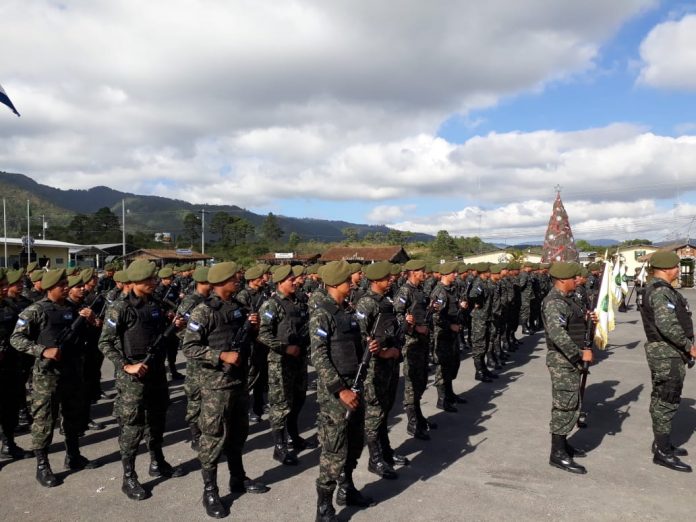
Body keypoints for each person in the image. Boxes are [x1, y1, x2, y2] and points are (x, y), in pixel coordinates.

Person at [182, 261, 269, 519]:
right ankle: (210, 491)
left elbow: (250, 339)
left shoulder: (240, 308)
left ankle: (238, 478)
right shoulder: (203, 312)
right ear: (220, 282)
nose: (238, 281)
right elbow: (189, 347)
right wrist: (221, 355)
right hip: (215, 385)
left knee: (238, 434)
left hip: (238, 382)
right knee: (213, 439)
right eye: (234, 278)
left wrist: (253, 327)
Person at [99, 260, 185, 501]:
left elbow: (161, 333)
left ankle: (157, 462)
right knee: (132, 427)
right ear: (135, 282)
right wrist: (126, 365)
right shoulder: (120, 308)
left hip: (156, 371)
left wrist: (175, 325)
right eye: (149, 280)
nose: (154, 283)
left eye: (154, 279)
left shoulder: (155, 303)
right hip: (133, 377)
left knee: (157, 419)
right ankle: (129, 476)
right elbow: (104, 342)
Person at [11, 269, 98, 487]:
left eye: (66, 284)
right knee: (44, 421)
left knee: (72, 416)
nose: (67, 287)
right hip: (47, 376)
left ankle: (73, 455)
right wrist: (42, 350)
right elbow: (16, 338)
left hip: (73, 372)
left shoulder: (73, 308)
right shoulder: (36, 310)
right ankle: (43, 465)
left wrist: (92, 320)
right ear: (50, 288)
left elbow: (88, 335)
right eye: (62, 285)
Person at [310, 261, 375, 521]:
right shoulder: (321, 314)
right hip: (336, 393)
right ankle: (324, 506)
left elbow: (354, 345)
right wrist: (339, 390)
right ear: (336, 283)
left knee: (355, 442)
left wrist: (368, 345)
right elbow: (319, 356)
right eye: (349, 280)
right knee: (334, 449)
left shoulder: (346, 310)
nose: (353, 283)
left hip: (355, 384)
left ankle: (346, 488)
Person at [639, 250, 696, 472]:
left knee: (665, 397)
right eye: (676, 267)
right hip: (666, 354)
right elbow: (667, 326)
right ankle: (662, 452)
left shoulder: (662, 290)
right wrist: (689, 346)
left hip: (668, 352)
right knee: (666, 399)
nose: (677, 272)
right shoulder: (660, 293)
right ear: (667, 269)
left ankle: (663, 443)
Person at [257, 264, 314, 466]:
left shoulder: (297, 302)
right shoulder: (271, 305)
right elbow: (263, 334)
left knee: (298, 399)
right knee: (281, 405)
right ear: (281, 282)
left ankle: (293, 435)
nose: (296, 282)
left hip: (298, 360)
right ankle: (279, 447)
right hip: (280, 362)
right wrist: (284, 347)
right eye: (291, 280)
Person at [356, 261, 405, 480]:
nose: (391, 279)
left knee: (385, 409)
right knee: (374, 413)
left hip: (390, 365)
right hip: (376, 367)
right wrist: (382, 353)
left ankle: (385, 450)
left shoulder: (386, 300)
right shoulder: (366, 303)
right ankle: (374, 459)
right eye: (387, 277)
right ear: (376, 280)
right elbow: (360, 337)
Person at [541, 262, 591, 474]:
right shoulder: (554, 302)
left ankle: (563, 444)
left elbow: (572, 322)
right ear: (562, 280)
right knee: (564, 405)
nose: (576, 281)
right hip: (562, 360)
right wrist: (579, 354)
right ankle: (557, 453)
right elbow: (558, 334)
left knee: (571, 403)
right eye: (573, 278)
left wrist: (588, 318)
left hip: (569, 359)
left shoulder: (566, 300)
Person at [394, 259, 436, 440]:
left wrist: (432, 309)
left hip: (422, 341)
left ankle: (418, 417)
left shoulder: (419, 290)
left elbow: (419, 312)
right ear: (413, 272)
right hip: (411, 343)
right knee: (412, 384)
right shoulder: (404, 290)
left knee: (421, 381)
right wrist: (413, 328)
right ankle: (413, 424)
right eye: (421, 271)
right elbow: (397, 315)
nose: (424, 273)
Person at [177, 266, 211, 451]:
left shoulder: (210, 300)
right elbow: (181, 327)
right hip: (196, 358)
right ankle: (195, 435)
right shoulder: (191, 301)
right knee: (196, 396)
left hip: (209, 355)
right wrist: (193, 343)